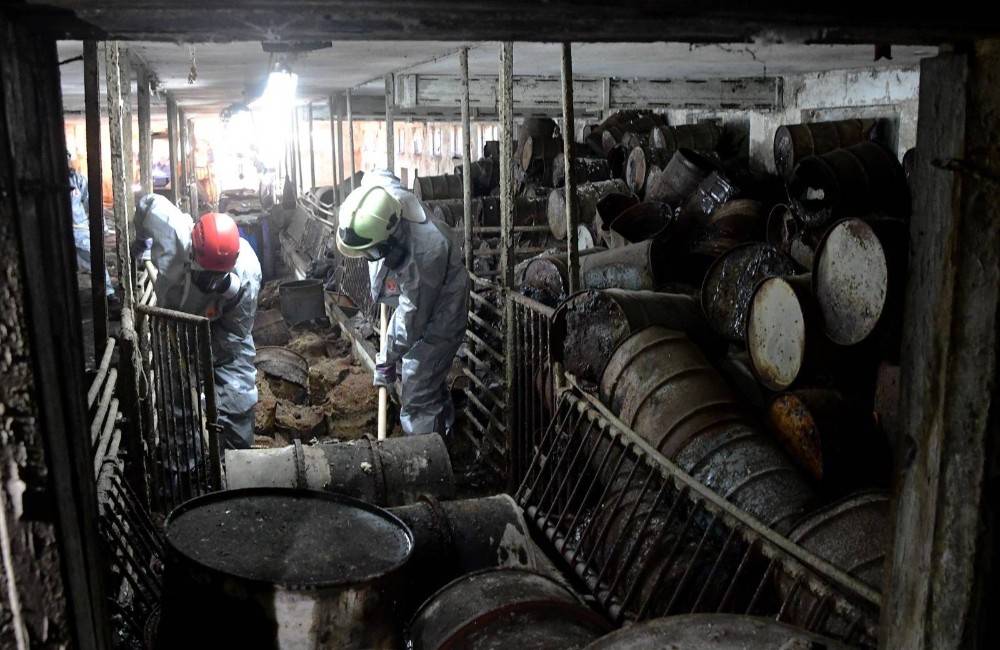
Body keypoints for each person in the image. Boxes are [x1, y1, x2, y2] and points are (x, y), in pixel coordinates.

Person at [336, 170, 470, 436]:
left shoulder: (425, 254)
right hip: (420, 292)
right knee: (423, 371)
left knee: (419, 377)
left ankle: (428, 451)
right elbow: (380, 174)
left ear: (390, 241)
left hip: (444, 307)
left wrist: (385, 358)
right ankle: (443, 418)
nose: (367, 258)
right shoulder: (380, 196)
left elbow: (412, 318)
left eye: (370, 252)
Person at [134, 193, 261, 449]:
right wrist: (140, 240)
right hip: (173, 322)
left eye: (219, 278)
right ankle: (186, 470)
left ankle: (233, 454)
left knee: (237, 391)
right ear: (193, 253)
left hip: (220, 327)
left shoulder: (246, 275)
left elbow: (234, 337)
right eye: (207, 276)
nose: (212, 284)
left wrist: (202, 362)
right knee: (176, 399)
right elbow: (146, 204)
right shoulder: (172, 230)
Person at [68, 151, 119, 311]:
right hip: (60, 236)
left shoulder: (76, 180)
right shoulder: (51, 182)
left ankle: (109, 295)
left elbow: (92, 202)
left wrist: (100, 225)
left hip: (80, 231)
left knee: (95, 260)